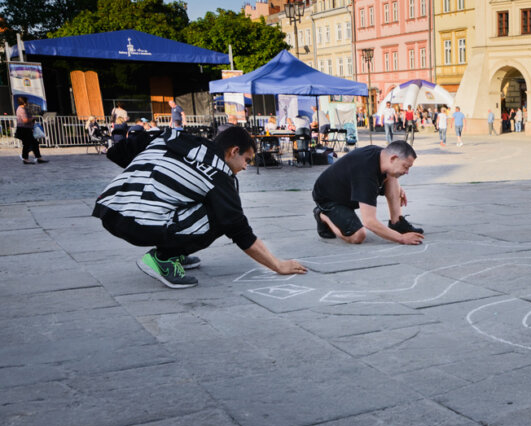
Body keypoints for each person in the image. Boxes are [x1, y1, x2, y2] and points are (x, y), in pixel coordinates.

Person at [93, 125, 307, 289]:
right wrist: (278, 265)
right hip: (138, 222)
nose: (245, 167)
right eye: (247, 160)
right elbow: (239, 229)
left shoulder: (173, 137)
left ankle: (174, 250)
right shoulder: (218, 173)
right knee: (221, 213)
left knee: (200, 198)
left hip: (110, 208)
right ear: (234, 151)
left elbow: (116, 151)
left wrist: (150, 176)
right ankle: (164, 258)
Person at [312, 140, 424, 245]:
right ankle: (322, 215)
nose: (407, 172)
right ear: (393, 158)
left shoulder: (382, 155)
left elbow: (390, 172)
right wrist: (401, 238)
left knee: (391, 174)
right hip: (329, 199)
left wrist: (398, 189)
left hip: (348, 190)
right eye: (405, 166)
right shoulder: (365, 173)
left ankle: (397, 223)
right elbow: (369, 222)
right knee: (358, 236)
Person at [15, 96, 45, 164]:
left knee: (34, 143)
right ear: (24, 102)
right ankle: (26, 158)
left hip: (26, 129)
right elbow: (25, 120)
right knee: (27, 144)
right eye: (27, 101)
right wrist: (33, 118)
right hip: (24, 129)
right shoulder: (22, 110)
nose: (28, 103)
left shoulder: (22, 109)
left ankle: (38, 157)